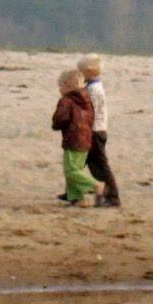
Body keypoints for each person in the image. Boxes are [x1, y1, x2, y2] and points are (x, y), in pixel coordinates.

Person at [51, 68, 99, 207]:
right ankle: (78, 198)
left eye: (60, 86)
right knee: (75, 168)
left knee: (71, 171)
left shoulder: (66, 101)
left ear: (67, 85)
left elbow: (60, 118)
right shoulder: (87, 99)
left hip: (73, 140)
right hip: (86, 139)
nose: (59, 89)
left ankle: (95, 186)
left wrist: (56, 124)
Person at [78, 54, 121, 206]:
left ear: (89, 72)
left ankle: (113, 196)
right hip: (94, 130)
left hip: (95, 131)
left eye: (81, 71)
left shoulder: (94, 90)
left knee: (101, 165)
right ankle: (77, 191)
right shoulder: (92, 87)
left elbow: (90, 111)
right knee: (87, 163)